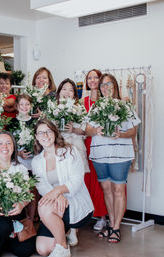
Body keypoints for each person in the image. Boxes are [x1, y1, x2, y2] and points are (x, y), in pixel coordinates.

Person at [85, 74, 140, 243]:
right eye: (102, 85)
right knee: (106, 189)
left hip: (120, 154)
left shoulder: (124, 105)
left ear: (115, 86)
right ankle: (110, 223)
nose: (105, 87)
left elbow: (133, 131)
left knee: (118, 190)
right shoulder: (96, 107)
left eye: (109, 84)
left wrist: (120, 134)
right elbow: (87, 129)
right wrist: (96, 131)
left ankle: (116, 227)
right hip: (100, 154)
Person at [32, 118, 93, 257]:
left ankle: (63, 247)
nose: (45, 136)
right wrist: (57, 195)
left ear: (54, 132)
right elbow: (41, 186)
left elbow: (77, 180)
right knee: (42, 249)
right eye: (41, 133)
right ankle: (65, 231)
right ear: (36, 137)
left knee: (43, 207)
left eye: (48, 131)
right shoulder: (36, 161)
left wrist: (58, 191)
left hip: (74, 202)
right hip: (55, 204)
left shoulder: (69, 151)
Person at [55, 78, 90, 246]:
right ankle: (60, 226)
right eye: (64, 89)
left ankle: (74, 229)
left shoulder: (80, 109)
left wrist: (73, 129)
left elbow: (85, 131)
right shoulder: (53, 109)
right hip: (58, 151)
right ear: (59, 92)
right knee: (59, 188)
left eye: (70, 90)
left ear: (74, 95)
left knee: (74, 189)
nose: (67, 92)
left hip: (75, 149)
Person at [82, 69, 108, 231]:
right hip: (85, 144)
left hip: (101, 144)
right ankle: (86, 213)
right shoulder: (81, 101)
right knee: (86, 179)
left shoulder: (106, 100)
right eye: (89, 78)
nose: (92, 80)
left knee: (101, 181)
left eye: (95, 77)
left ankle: (103, 216)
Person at [7, 94, 38, 222]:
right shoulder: (12, 123)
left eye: (27, 104)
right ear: (17, 106)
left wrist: (34, 148)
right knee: (18, 189)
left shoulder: (35, 122)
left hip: (33, 161)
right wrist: (18, 153)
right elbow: (9, 142)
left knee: (32, 192)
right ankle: (18, 219)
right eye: (22, 104)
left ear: (31, 106)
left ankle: (30, 221)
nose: (24, 107)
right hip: (18, 161)